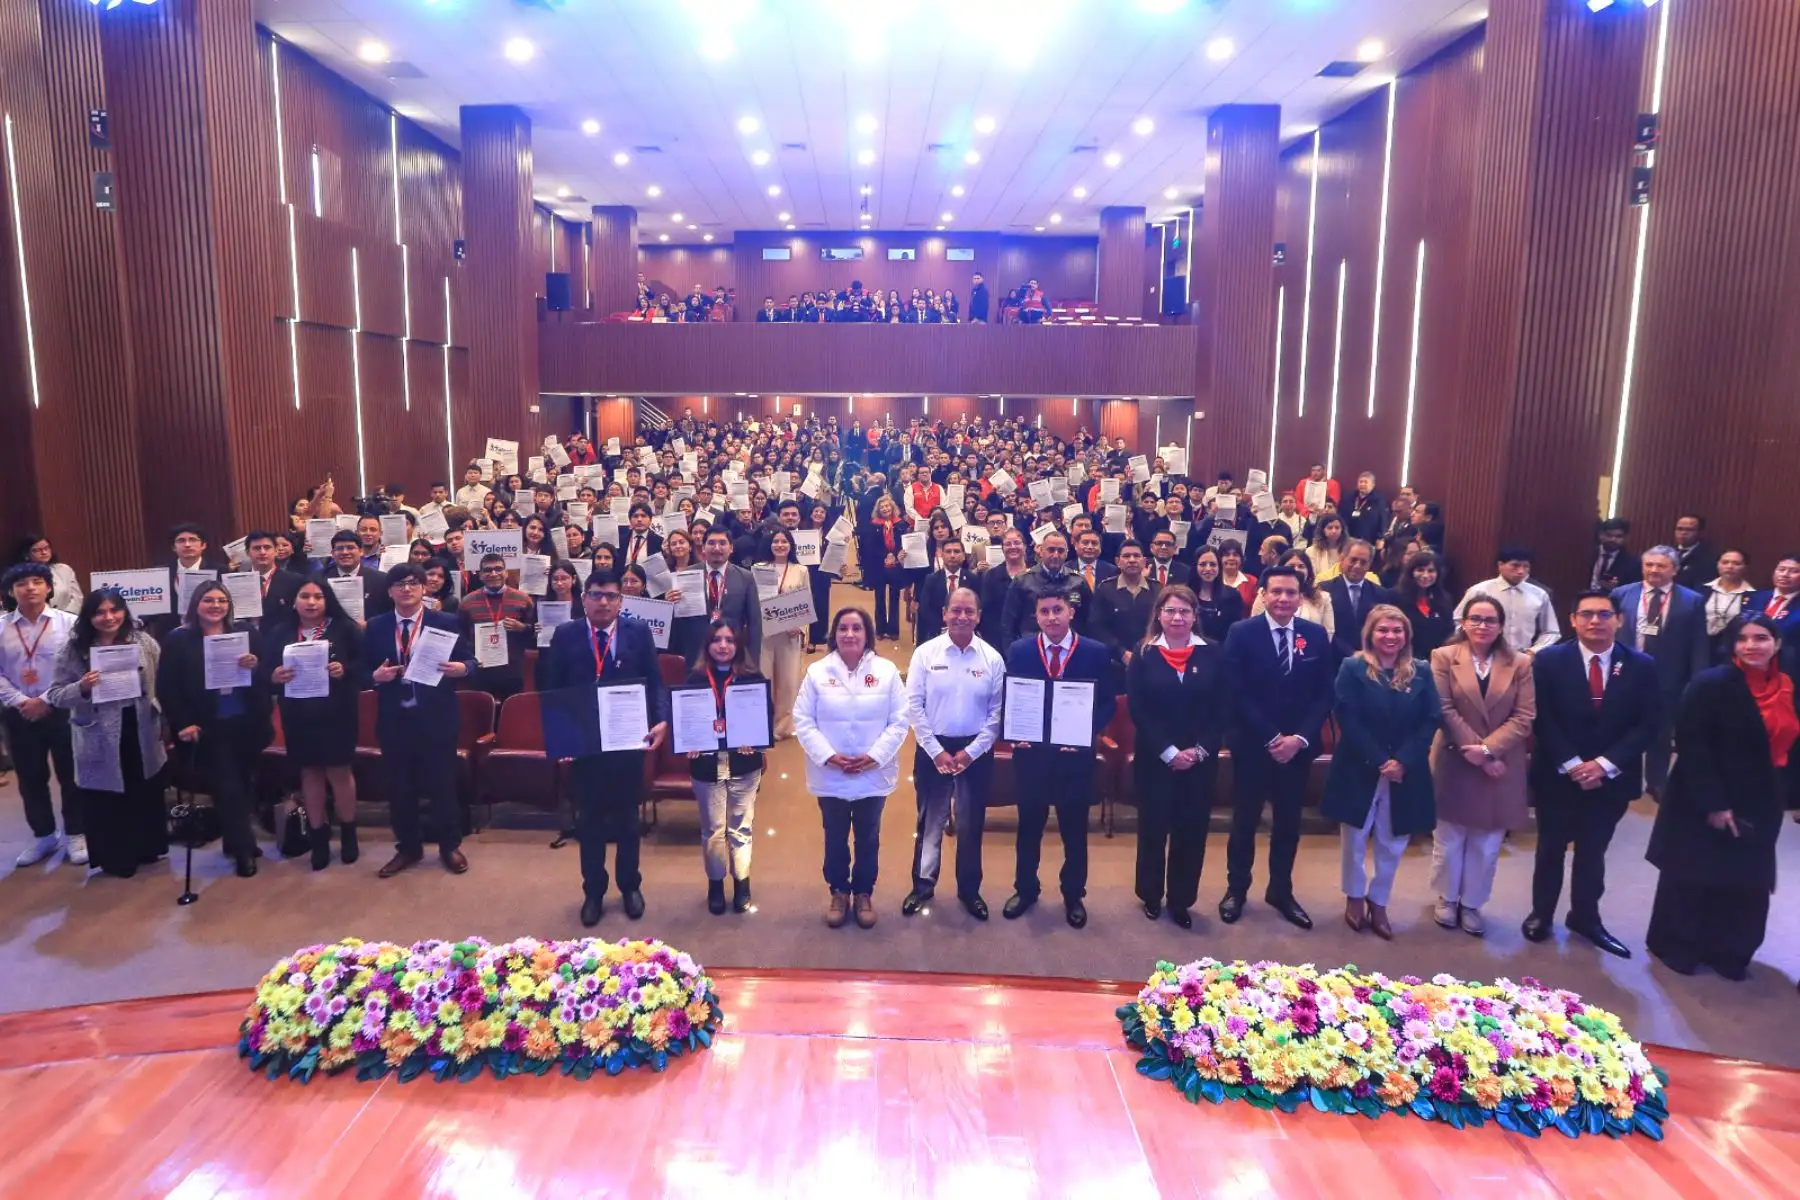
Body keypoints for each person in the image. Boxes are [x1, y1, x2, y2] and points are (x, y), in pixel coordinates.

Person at [1644, 616, 1794, 979]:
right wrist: (1714, 802)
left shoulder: (1789, 685)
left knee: (1747, 880)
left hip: (1763, 799)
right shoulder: (1710, 684)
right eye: (1742, 639)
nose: (1752, 645)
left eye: (1761, 638)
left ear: (1776, 643)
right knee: (1696, 874)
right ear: (1732, 646)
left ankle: (1730, 951)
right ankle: (1682, 947)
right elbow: (1693, 745)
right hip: (1706, 793)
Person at [1524, 590, 1661, 957]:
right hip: (1558, 774)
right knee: (1550, 849)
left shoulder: (1641, 665)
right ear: (1573, 620)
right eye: (1586, 614)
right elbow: (1541, 718)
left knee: (1593, 852)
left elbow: (1649, 724)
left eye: (1604, 614)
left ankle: (1585, 918)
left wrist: (1603, 764)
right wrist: (1572, 764)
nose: (1595, 621)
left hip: (1611, 778)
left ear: (1619, 620)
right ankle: (1541, 914)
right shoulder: (1549, 661)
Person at [543, 570, 668, 925]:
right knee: (590, 821)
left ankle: (630, 886)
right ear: (584, 598)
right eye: (596, 595)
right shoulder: (565, 634)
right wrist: (561, 738)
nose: (603, 602)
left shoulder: (638, 632)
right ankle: (593, 891)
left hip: (627, 741)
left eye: (611, 596)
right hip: (585, 745)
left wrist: (661, 719)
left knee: (628, 819)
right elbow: (553, 690)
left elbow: (655, 682)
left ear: (621, 601)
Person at [1220, 565, 1335, 929]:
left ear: (1300, 597)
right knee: (1245, 822)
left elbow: (1324, 693)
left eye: (1291, 592)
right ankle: (1237, 889)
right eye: (1277, 592)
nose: (1284, 598)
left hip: (1297, 749)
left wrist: (1299, 738)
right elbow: (1235, 691)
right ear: (1264, 595)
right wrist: (1272, 737)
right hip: (1254, 745)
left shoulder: (1315, 635)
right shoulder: (1241, 632)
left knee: (1288, 824)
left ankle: (1280, 890)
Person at [1323, 605, 1440, 939]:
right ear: (1370, 634)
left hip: (1406, 770)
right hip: (1359, 764)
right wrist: (1379, 760)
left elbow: (1431, 718)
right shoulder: (1353, 667)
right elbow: (1347, 716)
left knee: (1394, 841)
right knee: (1354, 838)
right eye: (1383, 630)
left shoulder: (1421, 670)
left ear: (1407, 635)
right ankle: (1354, 895)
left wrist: (1402, 760)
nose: (1390, 636)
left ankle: (1379, 900)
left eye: (1397, 630)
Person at [1002, 588, 1116, 928]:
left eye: (1058, 609)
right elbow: (1011, 697)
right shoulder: (1020, 651)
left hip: (1075, 758)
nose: (1051, 617)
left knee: (1074, 830)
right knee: (1029, 827)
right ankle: (1025, 889)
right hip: (1032, 756)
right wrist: (1015, 731)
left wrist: (1085, 732)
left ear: (1071, 613)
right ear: (1036, 617)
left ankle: (1073, 894)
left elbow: (1107, 703)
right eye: (1045, 611)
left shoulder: (1095, 652)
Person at [793, 607, 909, 930]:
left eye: (857, 628)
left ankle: (863, 892)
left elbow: (900, 721)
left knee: (868, 837)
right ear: (834, 634)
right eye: (843, 628)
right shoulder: (817, 672)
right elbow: (803, 719)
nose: (849, 634)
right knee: (835, 836)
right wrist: (829, 756)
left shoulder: (886, 671)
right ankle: (839, 891)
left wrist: (875, 755)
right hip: (831, 774)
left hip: (873, 773)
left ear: (867, 634)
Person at [1429, 594, 1536, 936]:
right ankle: (1447, 898)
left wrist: (1488, 751)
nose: (1482, 625)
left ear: (1501, 626)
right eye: (1475, 618)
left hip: (1501, 763)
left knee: (1487, 843)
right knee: (1449, 839)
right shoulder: (1444, 656)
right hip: (1454, 757)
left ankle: (1472, 903)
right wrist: (1474, 751)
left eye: (1490, 620)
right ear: (1463, 623)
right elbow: (1443, 708)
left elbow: (1524, 716)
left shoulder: (1520, 663)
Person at [45, 589, 169, 878]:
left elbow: (161, 682)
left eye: (115, 610)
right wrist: (82, 687)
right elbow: (55, 695)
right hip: (98, 733)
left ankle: (147, 847)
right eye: (100, 612)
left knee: (143, 788)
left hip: (140, 727)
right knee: (109, 795)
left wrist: (165, 718)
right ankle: (117, 857)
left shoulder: (143, 641)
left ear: (124, 612)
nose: (109, 617)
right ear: (89, 616)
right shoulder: (72, 649)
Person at [362, 565, 475, 879]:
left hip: (436, 717)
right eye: (399, 584)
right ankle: (408, 848)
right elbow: (360, 671)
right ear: (389, 591)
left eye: (413, 583)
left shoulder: (446, 622)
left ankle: (449, 846)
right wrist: (375, 676)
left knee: (442, 785)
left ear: (424, 588)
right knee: (400, 787)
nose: (407, 589)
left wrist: (462, 669)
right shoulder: (376, 626)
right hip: (394, 719)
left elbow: (471, 661)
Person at [1127, 585, 1227, 930]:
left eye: (1185, 611)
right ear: (1158, 615)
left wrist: (1199, 751)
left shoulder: (1213, 652)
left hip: (1199, 761)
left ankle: (1181, 900)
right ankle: (1151, 894)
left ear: (1194, 616)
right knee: (1153, 829)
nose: (1177, 617)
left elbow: (1222, 709)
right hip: (1155, 759)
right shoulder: (1143, 653)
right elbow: (1138, 708)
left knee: (1191, 832)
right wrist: (1169, 751)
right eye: (1170, 610)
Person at [904, 585, 1005, 919]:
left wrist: (971, 753)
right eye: (956, 610)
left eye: (969, 611)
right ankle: (922, 885)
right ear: (944, 613)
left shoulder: (992, 659)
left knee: (971, 824)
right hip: (933, 749)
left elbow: (996, 714)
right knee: (930, 822)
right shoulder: (925, 654)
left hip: (975, 752)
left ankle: (969, 890)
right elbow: (914, 706)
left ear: (979, 617)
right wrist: (936, 751)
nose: (962, 616)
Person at [157, 580, 270, 877]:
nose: (216, 606)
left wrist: (255, 666)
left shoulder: (247, 633)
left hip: (246, 722)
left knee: (244, 784)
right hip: (206, 726)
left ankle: (234, 839)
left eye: (221, 600)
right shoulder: (178, 639)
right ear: (196, 605)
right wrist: (181, 723)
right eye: (208, 600)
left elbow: (267, 675)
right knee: (227, 786)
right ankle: (244, 850)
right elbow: (167, 687)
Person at [264, 580, 363, 869]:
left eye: (318, 596)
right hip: (298, 713)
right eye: (304, 596)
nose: (311, 602)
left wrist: (345, 669)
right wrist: (274, 676)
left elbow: (365, 665)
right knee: (310, 773)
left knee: (339, 771)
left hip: (337, 712)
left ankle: (349, 834)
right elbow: (264, 672)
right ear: (293, 601)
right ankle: (318, 837)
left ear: (327, 600)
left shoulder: (345, 629)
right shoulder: (280, 632)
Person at [685, 619, 772, 915]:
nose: (723, 645)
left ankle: (742, 883)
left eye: (730, 640)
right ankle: (715, 884)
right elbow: (684, 720)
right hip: (706, 765)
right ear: (708, 645)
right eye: (717, 640)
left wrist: (756, 741)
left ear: (738, 645)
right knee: (713, 831)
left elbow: (766, 717)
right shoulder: (695, 679)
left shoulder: (752, 678)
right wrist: (689, 743)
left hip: (744, 764)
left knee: (740, 829)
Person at [1612, 545, 1710, 798]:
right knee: (1621, 728)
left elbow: (1698, 643)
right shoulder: (1621, 593)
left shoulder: (1692, 600)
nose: (1654, 570)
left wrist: (1697, 681)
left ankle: (1657, 782)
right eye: (1649, 565)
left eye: (1661, 566)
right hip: (1626, 674)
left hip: (1668, 678)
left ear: (1674, 570)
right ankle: (1619, 777)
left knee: (1661, 733)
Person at [1, 564, 80, 866]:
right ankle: (44, 835)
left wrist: (46, 699)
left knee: (71, 774)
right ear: (11, 592)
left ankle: (76, 833)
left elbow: (77, 667)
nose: (30, 588)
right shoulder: (1, 627)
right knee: (30, 777)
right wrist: (22, 700)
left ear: (49, 588)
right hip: (18, 712)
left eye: (37, 582)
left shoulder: (69, 623)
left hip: (63, 708)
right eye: (22, 583)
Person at [458, 553, 535, 703]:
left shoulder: (523, 599)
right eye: (487, 570)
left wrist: (522, 628)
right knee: (482, 713)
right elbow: (462, 637)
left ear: (506, 573)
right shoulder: (467, 602)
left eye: (498, 569)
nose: (493, 574)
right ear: (480, 575)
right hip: (481, 671)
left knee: (511, 713)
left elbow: (536, 633)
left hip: (512, 671)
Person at [1455, 547, 1560, 654]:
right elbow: (1457, 622)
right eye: (1515, 565)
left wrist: (1533, 652)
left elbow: (1551, 631)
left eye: (1526, 566)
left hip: (1522, 655)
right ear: (1500, 565)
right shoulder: (1479, 591)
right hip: (1482, 654)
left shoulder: (1539, 594)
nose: (1521, 571)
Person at [999, 530, 1092, 644]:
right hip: (1032, 647)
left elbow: (1089, 621)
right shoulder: (1022, 581)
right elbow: (1008, 624)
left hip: (1071, 647)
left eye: (1061, 551)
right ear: (1041, 551)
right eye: (1051, 550)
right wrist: (1012, 652)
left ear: (1067, 553)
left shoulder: (1078, 581)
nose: (1056, 555)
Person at [758, 529, 807, 739]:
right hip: (765, 632)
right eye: (776, 541)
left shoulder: (801, 570)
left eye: (784, 541)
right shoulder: (759, 569)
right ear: (769, 545)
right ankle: (762, 725)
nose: (779, 545)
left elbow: (806, 600)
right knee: (764, 679)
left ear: (790, 545)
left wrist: (801, 627)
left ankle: (782, 727)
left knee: (788, 682)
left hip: (790, 632)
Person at [697, 528, 763, 666]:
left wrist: (752, 662)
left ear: (731, 548)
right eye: (711, 543)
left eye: (722, 543)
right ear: (703, 547)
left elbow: (754, 623)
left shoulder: (745, 577)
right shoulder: (688, 575)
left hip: (732, 652)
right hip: (697, 653)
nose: (717, 548)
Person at [1092, 540, 1158, 675]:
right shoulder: (1105, 589)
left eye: (1136, 556)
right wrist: (1121, 652)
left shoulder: (1158, 589)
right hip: (1113, 662)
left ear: (1144, 561)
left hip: (1151, 659)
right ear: (1117, 561)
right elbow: (1097, 627)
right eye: (1126, 556)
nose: (1132, 560)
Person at [1322, 540, 1393, 663]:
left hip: (1370, 661)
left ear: (1370, 565)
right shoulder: (1325, 590)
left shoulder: (1381, 594)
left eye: (1363, 562)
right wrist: (1351, 653)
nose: (1357, 566)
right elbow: (1323, 629)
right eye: (1353, 560)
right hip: (1333, 659)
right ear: (1342, 559)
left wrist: (1368, 654)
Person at [864, 494, 910, 641]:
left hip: (896, 565)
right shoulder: (873, 525)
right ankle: (880, 629)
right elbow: (870, 547)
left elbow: (904, 544)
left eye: (887, 506)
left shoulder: (901, 524)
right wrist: (885, 555)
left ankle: (893, 630)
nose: (885, 509)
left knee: (894, 598)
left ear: (892, 507)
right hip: (879, 565)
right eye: (882, 507)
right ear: (878, 510)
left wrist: (895, 555)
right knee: (879, 598)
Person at [912, 535, 971, 647]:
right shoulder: (931, 580)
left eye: (956, 551)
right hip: (937, 635)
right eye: (948, 552)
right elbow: (925, 609)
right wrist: (943, 629)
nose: (952, 555)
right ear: (942, 555)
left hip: (965, 634)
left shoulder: (973, 579)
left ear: (963, 556)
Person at [320, 530, 390, 621]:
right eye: (340, 548)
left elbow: (388, 614)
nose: (345, 552)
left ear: (361, 551)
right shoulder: (319, 580)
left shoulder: (381, 581)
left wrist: (370, 625)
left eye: (350, 548)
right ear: (333, 554)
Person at [979, 527, 1030, 648]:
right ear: (1002, 549)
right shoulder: (991, 576)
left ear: (1025, 547)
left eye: (1017, 543)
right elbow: (987, 614)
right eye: (1008, 544)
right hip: (998, 641)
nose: (1013, 547)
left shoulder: (1035, 573)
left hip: (1030, 639)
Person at [1399, 549, 1456, 657]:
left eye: (1431, 571)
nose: (1425, 575)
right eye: (1420, 570)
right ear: (1411, 572)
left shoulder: (1445, 599)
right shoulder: (1395, 596)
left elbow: (1449, 631)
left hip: (1435, 659)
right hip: (1403, 658)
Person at [242, 530, 303, 626]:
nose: (262, 552)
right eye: (257, 548)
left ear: (275, 551)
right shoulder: (239, 582)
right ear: (247, 553)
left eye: (267, 547)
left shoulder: (294, 581)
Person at [14, 534, 82, 614]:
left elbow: (77, 598)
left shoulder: (64, 569)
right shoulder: (20, 574)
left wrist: (65, 616)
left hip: (67, 617)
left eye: (46, 548)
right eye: (37, 550)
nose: (44, 552)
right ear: (26, 554)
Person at [1701, 549, 1755, 650]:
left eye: (1736, 563)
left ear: (1745, 567)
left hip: (1733, 648)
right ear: (1718, 565)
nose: (1730, 566)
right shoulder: (1701, 590)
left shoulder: (1753, 596)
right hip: (1701, 645)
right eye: (1725, 562)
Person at [1589, 518, 1640, 592]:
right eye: (1609, 535)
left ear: (1625, 538)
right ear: (1600, 535)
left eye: (1618, 536)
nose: (1613, 539)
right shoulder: (1588, 554)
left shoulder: (1633, 563)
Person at [1671, 514, 1718, 592]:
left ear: (1700, 532)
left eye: (1689, 530)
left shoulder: (1710, 558)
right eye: (1679, 529)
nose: (1683, 533)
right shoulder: (1666, 553)